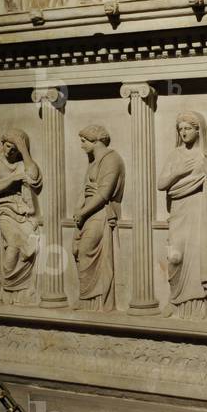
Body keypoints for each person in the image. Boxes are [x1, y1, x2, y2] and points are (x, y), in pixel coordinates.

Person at [157, 112, 207, 320]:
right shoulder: (175, 155)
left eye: (188, 128)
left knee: (199, 258)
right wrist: (177, 173)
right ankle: (174, 298)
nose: (183, 132)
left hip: (200, 214)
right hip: (179, 213)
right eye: (180, 129)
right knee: (174, 258)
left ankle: (198, 307)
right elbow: (162, 185)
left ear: (198, 130)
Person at [73, 125, 125, 311]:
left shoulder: (111, 159)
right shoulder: (93, 162)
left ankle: (95, 301)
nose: (81, 146)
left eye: (83, 141)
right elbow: (87, 189)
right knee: (79, 250)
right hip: (88, 213)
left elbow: (104, 193)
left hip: (99, 213)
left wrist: (83, 211)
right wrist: (80, 209)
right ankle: (87, 300)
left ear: (95, 141)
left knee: (88, 250)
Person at [0, 128, 42, 304]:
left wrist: (24, 151)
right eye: (7, 146)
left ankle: (22, 290)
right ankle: (7, 284)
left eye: (14, 148)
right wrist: (15, 178)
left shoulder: (21, 162)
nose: (9, 151)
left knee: (32, 242)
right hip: (3, 208)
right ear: (2, 144)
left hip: (22, 210)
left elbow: (33, 176)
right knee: (13, 243)